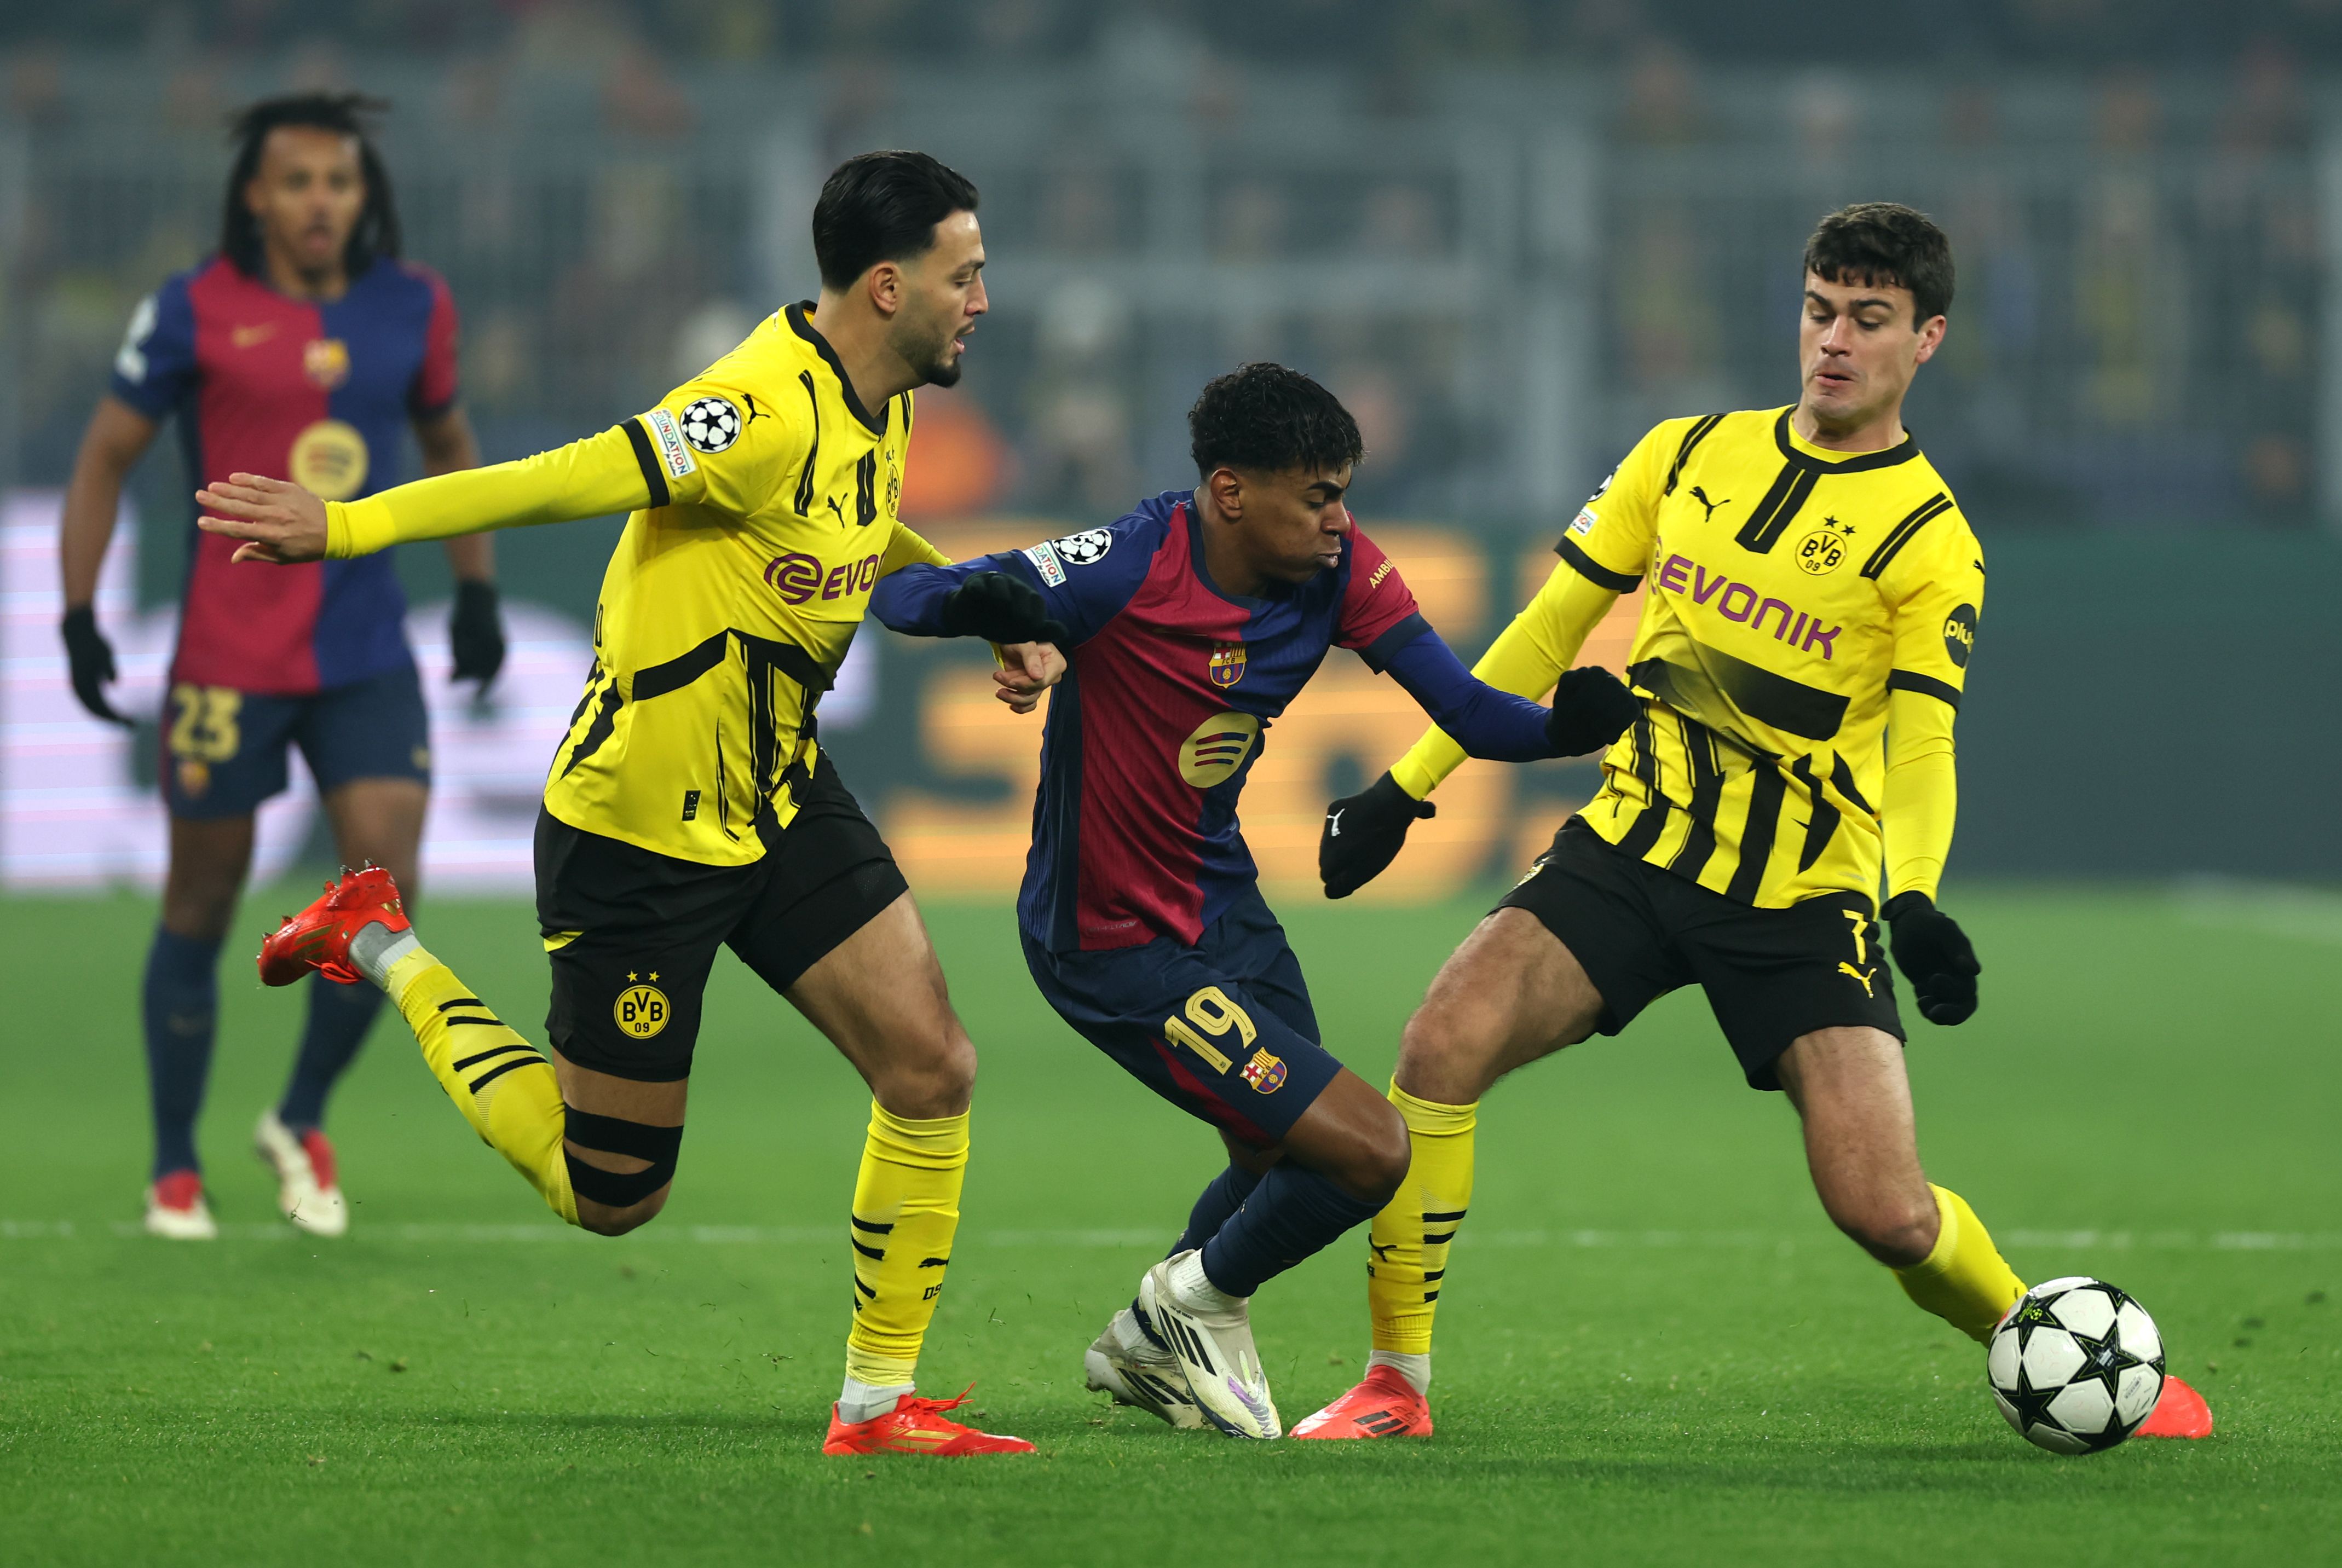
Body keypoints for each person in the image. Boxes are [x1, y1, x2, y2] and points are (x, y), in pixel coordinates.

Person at [193, 151, 1060, 1457]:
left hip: (777, 794)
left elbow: (860, 527)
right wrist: (352, 526)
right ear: (891, 286)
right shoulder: (752, 405)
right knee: (611, 1195)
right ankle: (378, 936)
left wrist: (983, 604)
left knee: (931, 1064)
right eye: (966, 273)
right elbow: (570, 472)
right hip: (638, 828)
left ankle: (874, 1402)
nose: (983, 297)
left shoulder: (885, 399)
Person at [1300, 202, 2211, 1442]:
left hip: (1796, 898)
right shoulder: (1684, 452)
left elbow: (1920, 736)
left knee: (1882, 1211)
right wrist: (1408, 784)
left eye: (1868, 320)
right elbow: (1545, 631)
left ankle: (2053, 1342)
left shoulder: (1931, 537)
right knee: (1439, 1044)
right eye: (1817, 309)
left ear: (1926, 339)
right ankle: (1393, 1385)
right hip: (1632, 847)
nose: (1833, 341)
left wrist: (1913, 896)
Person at [873, 363, 1641, 1438]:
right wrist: (984, 603)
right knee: (1365, 1148)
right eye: (1317, 495)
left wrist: (1567, 727)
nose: (1341, 520)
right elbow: (902, 592)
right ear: (1231, 491)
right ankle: (1183, 1307)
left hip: (1222, 902)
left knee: (1291, 1146)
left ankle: (1153, 1337)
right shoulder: (1130, 562)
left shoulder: (1340, 571)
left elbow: (1463, 705)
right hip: (1110, 936)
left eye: (1343, 492)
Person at [57, 93, 506, 1242]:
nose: (321, 202)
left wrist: (474, 589)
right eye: (298, 181)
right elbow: (107, 457)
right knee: (202, 901)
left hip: (362, 647)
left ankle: (298, 1113)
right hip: (227, 655)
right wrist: (76, 610)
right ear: (255, 195)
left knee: (384, 899)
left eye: (339, 182)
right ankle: (172, 1166)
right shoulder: (193, 309)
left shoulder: (414, 306)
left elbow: (451, 448)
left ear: (365, 197)